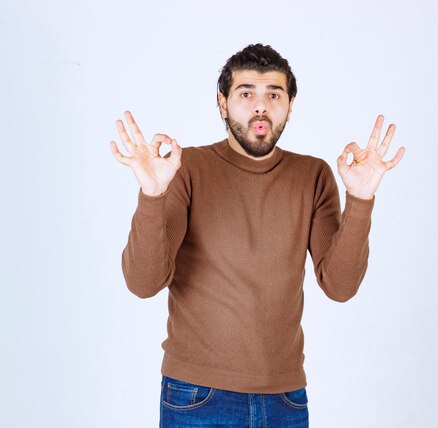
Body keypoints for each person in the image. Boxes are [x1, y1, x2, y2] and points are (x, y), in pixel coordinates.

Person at [109, 43, 405, 427]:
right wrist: (153, 194)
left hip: (285, 400)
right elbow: (143, 282)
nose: (260, 106)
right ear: (223, 102)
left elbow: (340, 286)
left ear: (290, 104)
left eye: (273, 94)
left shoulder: (313, 176)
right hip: (197, 395)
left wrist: (361, 198)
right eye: (246, 93)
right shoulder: (185, 169)